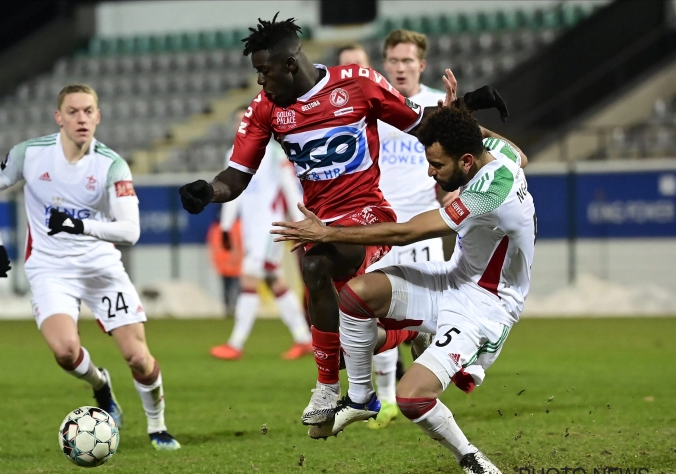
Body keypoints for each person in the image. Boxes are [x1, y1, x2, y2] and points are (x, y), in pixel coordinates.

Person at [178, 13, 508, 431]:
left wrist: (470, 103)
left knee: (313, 263)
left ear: (290, 66)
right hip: (320, 223)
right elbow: (236, 176)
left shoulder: (358, 83)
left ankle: (327, 388)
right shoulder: (264, 110)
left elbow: (423, 124)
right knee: (361, 336)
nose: (260, 82)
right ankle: (405, 336)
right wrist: (208, 191)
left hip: (367, 215)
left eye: (264, 72)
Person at [271, 106, 535, 474]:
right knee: (358, 295)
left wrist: (328, 234)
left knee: (412, 399)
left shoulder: (490, 192)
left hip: (487, 307)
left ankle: (469, 455)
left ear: (465, 160)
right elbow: (519, 154)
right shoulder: (499, 155)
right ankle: (362, 398)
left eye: (437, 165)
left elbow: (405, 233)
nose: (430, 172)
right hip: (455, 278)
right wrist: (457, 117)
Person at [0, 83, 181, 451]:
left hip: (101, 267)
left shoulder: (112, 165)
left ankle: (157, 426)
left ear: (98, 116)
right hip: (50, 268)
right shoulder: (31, 154)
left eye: (88, 111)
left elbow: (130, 231)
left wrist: (80, 225)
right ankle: (101, 385)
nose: (81, 118)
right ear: (59, 117)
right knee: (66, 353)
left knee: (137, 356)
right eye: (73, 111)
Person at [338, 33, 457, 430]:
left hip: (422, 229)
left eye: (407, 60)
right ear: (384, 64)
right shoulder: (374, 103)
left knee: (433, 318)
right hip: (381, 227)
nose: (400, 67)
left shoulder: (435, 106)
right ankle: (386, 400)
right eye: (393, 60)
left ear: (421, 64)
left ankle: (431, 378)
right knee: (378, 313)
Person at [210, 107, 313, 360]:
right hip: (250, 231)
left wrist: (301, 222)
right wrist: (226, 226)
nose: (241, 125)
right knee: (273, 281)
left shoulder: (274, 152)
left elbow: (290, 187)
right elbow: (230, 193)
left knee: (249, 277)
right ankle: (304, 339)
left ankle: (235, 343)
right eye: (237, 121)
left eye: (244, 120)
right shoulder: (232, 155)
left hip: (270, 228)